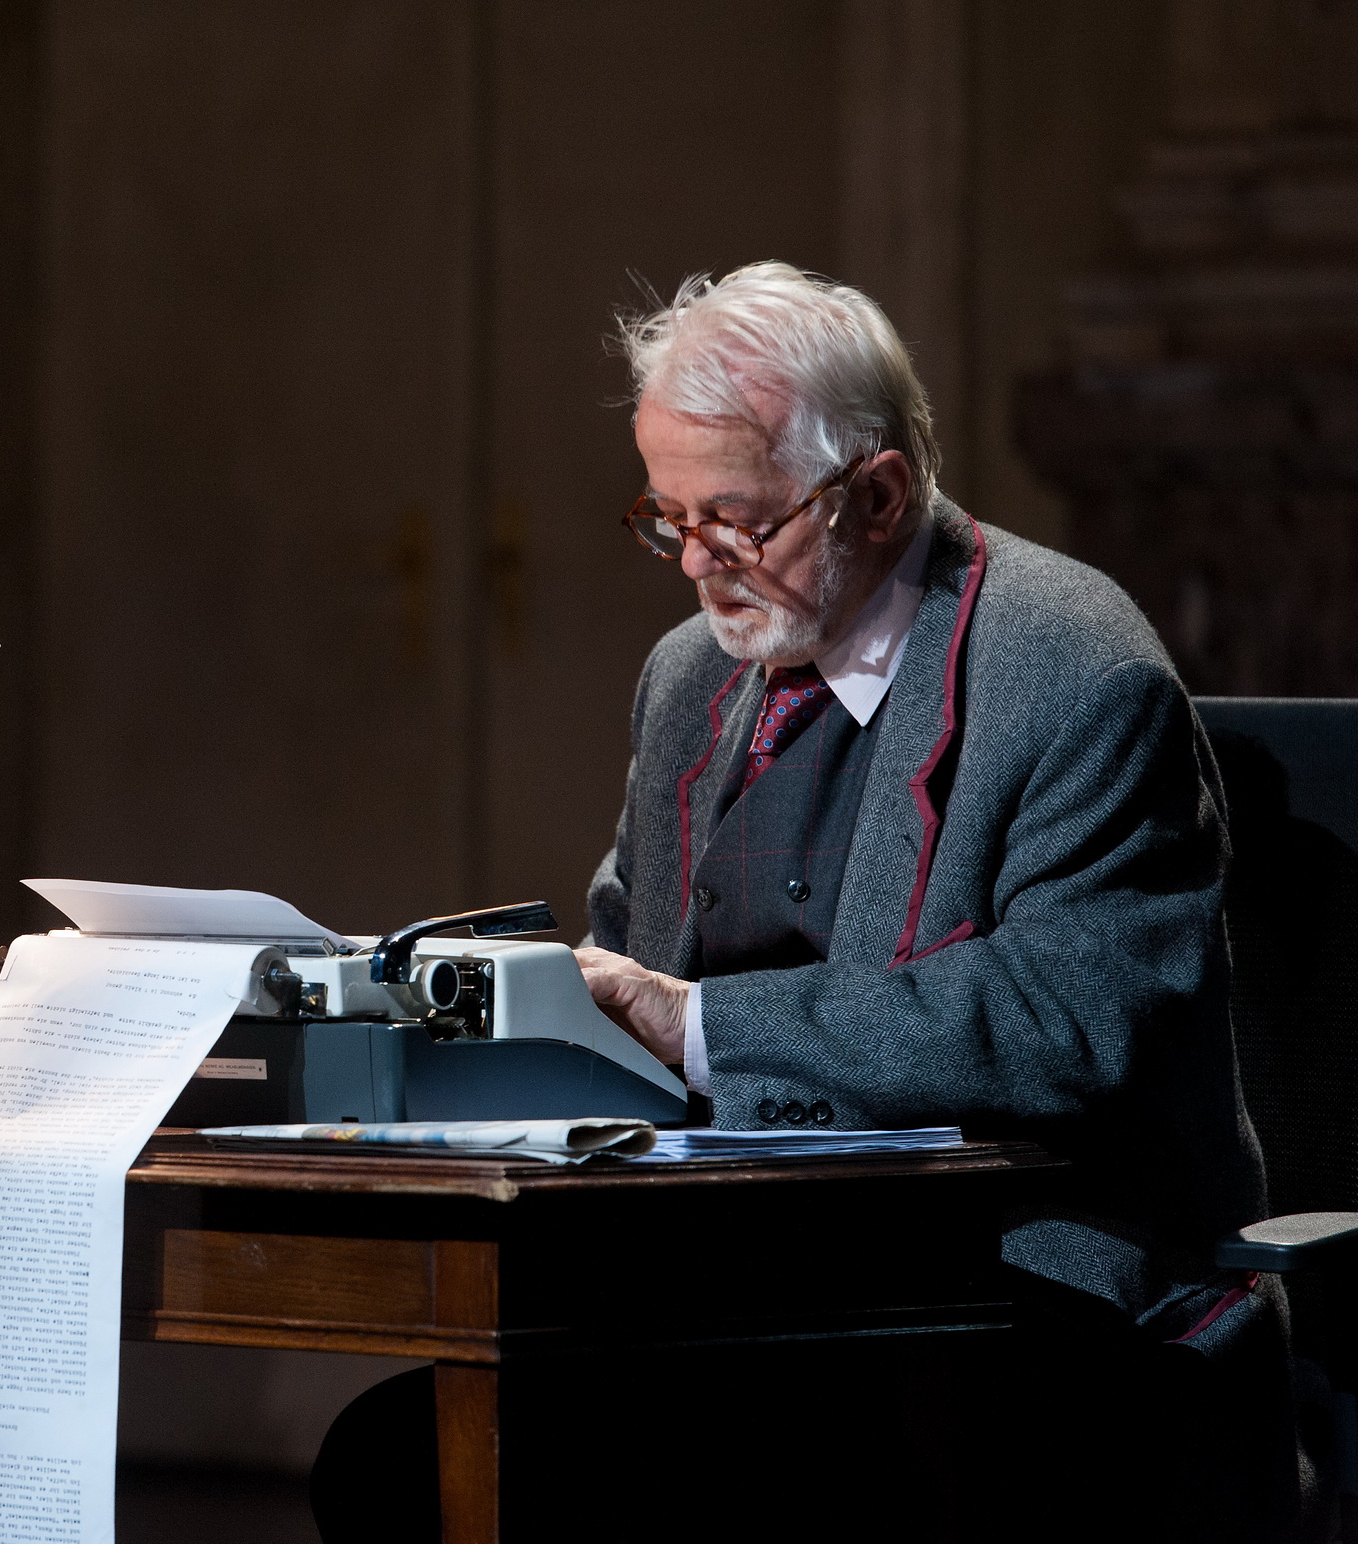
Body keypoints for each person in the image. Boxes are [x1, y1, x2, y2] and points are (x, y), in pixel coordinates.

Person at [311, 263, 1305, 1542]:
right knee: (393, 1459)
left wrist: (699, 1022)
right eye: (664, 518)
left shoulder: (1072, 668)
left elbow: (1066, 1017)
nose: (692, 565)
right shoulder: (689, 678)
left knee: (772, 1478)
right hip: (734, 1276)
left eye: (731, 520)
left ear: (877, 496)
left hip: (1014, 1280)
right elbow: (630, 956)